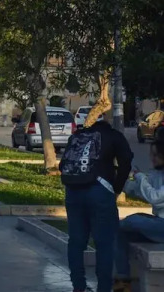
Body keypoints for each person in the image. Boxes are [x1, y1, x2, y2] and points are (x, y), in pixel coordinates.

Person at [60, 119, 133, 292]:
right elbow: (126, 163)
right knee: (104, 244)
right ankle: (103, 288)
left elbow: (63, 165)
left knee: (76, 242)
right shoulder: (114, 136)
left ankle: (78, 286)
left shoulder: (78, 136)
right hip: (100, 191)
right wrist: (116, 188)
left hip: (73, 191)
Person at [113, 140, 164, 292]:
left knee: (132, 221)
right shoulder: (157, 174)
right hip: (158, 223)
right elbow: (137, 191)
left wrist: (141, 177)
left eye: (156, 155)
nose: (152, 158)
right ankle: (123, 283)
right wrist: (119, 179)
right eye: (151, 154)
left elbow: (154, 197)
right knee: (119, 232)